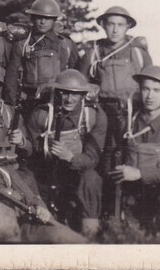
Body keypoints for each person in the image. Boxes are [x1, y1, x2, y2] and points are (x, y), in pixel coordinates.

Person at [77, 6, 151, 220]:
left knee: (132, 156)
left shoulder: (138, 52)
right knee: (103, 158)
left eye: (120, 25)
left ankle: (129, 211)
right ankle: (101, 209)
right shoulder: (95, 51)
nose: (115, 29)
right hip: (103, 112)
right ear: (104, 25)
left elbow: (150, 82)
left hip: (132, 113)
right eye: (111, 24)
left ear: (128, 26)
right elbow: (81, 83)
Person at [109, 65, 160, 244]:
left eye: (156, 90)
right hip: (131, 192)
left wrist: (140, 173)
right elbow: (113, 154)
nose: (150, 96)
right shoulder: (128, 121)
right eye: (145, 89)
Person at [25, 69, 106, 239]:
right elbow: (31, 153)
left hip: (76, 173)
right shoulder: (41, 115)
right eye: (65, 93)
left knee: (92, 179)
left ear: (83, 94)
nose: (69, 99)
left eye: (75, 94)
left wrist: (71, 157)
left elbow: (93, 157)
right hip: (47, 173)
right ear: (56, 92)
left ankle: (89, 234)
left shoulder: (93, 116)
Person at [4, 0, 79, 108]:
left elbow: (73, 76)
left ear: (54, 19)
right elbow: (12, 76)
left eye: (47, 18)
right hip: (27, 101)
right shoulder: (22, 44)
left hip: (55, 101)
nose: (43, 22)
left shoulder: (65, 44)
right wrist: (10, 104)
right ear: (33, 18)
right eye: (39, 17)